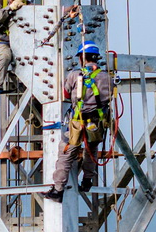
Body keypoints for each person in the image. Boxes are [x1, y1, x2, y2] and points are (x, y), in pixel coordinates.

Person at [43, 42, 113, 203]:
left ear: (82, 58)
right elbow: (109, 98)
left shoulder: (75, 75)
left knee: (66, 152)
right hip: (96, 122)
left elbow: (66, 94)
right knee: (91, 150)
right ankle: (87, 180)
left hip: (78, 122)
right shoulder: (107, 78)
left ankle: (58, 189)